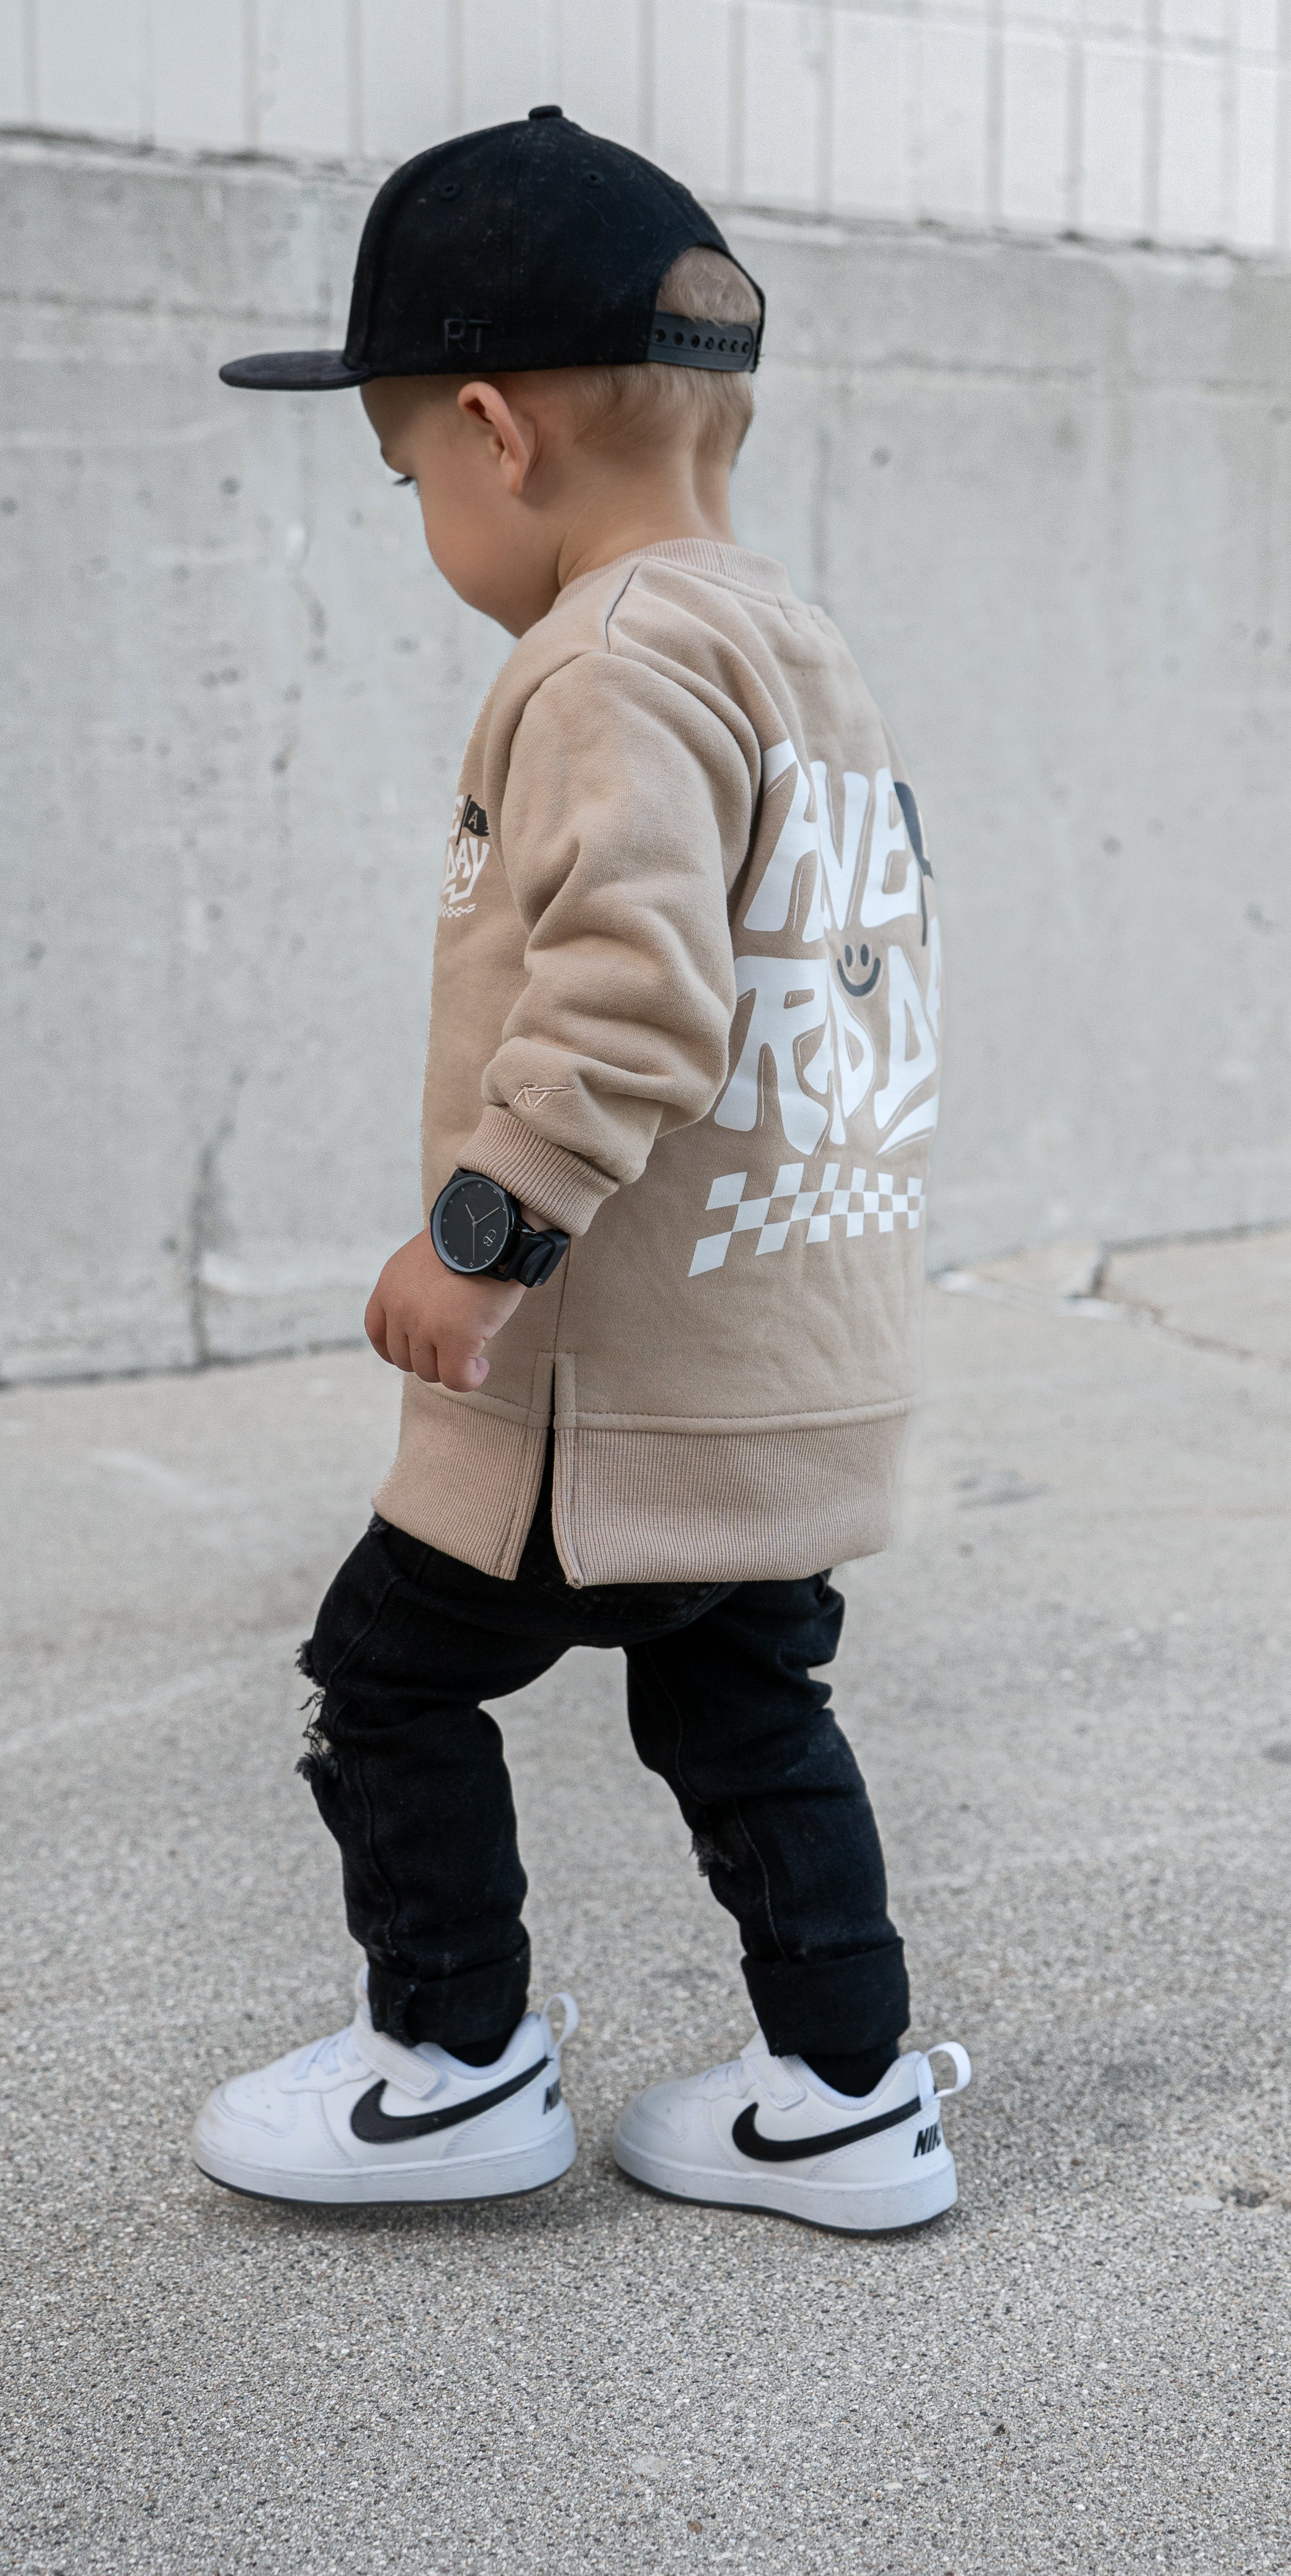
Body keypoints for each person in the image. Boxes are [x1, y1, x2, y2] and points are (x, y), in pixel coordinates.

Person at [189, 107, 968, 2229]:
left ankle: (449, 2058)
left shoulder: (603, 661)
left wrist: (484, 1230)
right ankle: (845, 2088)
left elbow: (631, 988)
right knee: (745, 1707)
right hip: (779, 1346)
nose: (423, 509)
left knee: (386, 1672)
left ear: (491, 431)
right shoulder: (797, 649)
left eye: (401, 472)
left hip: (596, 1386)